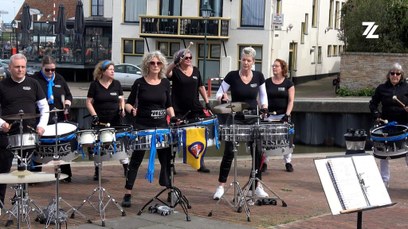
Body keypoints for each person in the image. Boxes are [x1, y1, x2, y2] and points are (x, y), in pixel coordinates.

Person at [121, 51, 176, 207]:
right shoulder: (139, 83)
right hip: (143, 126)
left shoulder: (165, 83)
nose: (156, 66)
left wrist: (173, 118)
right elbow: (128, 103)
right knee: (136, 160)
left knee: (166, 160)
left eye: (158, 63)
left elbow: (169, 105)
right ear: (147, 64)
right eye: (152, 63)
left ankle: (169, 190)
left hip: (161, 127)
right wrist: (132, 109)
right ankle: (127, 193)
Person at [213, 47, 269, 200]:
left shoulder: (259, 76)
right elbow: (219, 93)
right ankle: (221, 186)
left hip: (253, 117)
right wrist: (222, 98)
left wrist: (264, 107)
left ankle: (256, 185)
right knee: (229, 151)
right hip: (236, 117)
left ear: (253, 62)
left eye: (248, 60)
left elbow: (263, 96)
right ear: (240, 60)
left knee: (257, 152)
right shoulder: (232, 76)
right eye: (243, 59)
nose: (245, 62)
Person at [0, 53, 49, 207]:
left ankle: (19, 201)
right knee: (2, 169)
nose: (20, 70)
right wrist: (1, 123)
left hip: (28, 132)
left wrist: (42, 126)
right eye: (17, 67)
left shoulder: (34, 84)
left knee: (24, 169)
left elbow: (44, 107)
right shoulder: (2, 85)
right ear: (10, 68)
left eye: (23, 67)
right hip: (6, 133)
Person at [166, 48, 212, 173]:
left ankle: (200, 163)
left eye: (190, 57)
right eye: (186, 58)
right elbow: (166, 74)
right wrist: (174, 62)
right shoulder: (175, 71)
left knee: (200, 135)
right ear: (180, 59)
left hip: (195, 108)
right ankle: (171, 164)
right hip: (179, 109)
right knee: (175, 137)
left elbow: (201, 86)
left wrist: (207, 102)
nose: (189, 60)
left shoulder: (196, 70)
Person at [32, 55, 74, 182]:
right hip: (40, 118)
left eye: (53, 70)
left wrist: (67, 105)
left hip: (58, 117)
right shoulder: (35, 79)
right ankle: (35, 174)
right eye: (47, 70)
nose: (50, 72)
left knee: (61, 146)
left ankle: (64, 174)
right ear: (42, 68)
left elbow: (68, 95)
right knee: (38, 147)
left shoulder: (60, 79)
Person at [86, 60, 127, 180]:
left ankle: (126, 167)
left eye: (113, 69)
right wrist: (94, 116)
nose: (113, 71)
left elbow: (121, 99)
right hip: (100, 120)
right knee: (98, 145)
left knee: (120, 144)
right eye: (110, 69)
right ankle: (97, 170)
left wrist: (122, 109)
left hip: (115, 119)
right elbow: (88, 102)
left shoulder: (117, 84)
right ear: (103, 71)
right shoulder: (95, 85)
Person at [369, 63, 408, 188]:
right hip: (387, 123)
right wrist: (377, 115)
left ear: (401, 75)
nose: (395, 76)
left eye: (398, 73)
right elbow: (373, 103)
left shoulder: (407, 87)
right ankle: (384, 181)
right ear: (389, 75)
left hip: (404, 123)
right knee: (383, 153)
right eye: (392, 73)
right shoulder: (382, 88)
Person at [264, 58, 295, 172]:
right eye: (273, 66)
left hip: (283, 115)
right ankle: (264, 162)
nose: (274, 68)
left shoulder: (288, 83)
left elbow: (291, 101)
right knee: (267, 139)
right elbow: (261, 97)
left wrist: (287, 115)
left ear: (282, 68)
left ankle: (288, 162)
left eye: (276, 66)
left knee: (286, 139)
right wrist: (264, 110)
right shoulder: (267, 82)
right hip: (270, 115)